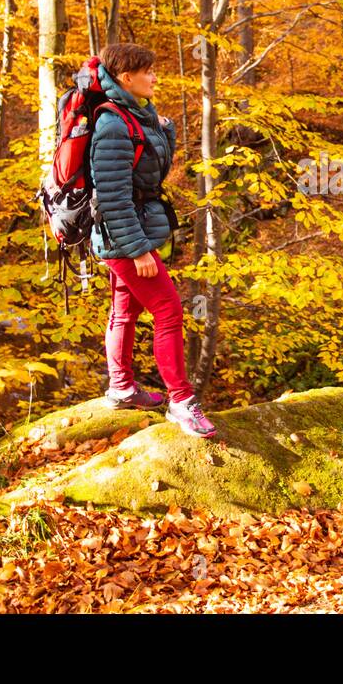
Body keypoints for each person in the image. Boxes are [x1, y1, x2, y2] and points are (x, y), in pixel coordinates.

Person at [89, 42, 216, 438]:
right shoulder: (112, 125)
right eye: (148, 71)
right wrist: (139, 249)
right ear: (126, 78)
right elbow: (112, 196)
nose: (155, 77)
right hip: (123, 235)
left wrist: (164, 129)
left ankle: (121, 387)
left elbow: (153, 172)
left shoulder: (136, 117)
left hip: (133, 229)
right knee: (169, 310)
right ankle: (181, 402)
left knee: (125, 309)